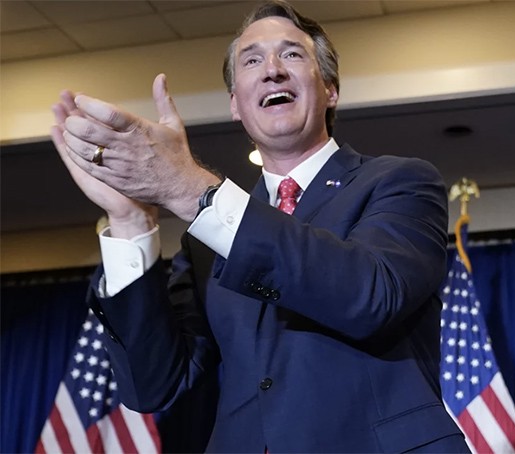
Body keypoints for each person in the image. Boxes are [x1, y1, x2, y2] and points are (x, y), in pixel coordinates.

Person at [50, 1, 468, 452]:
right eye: (251, 60)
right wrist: (130, 220)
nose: (271, 70)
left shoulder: (399, 182)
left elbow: (370, 295)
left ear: (330, 89)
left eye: (291, 55)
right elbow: (154, 386)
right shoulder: (208, 239)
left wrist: (190, 188)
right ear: (235, 105)